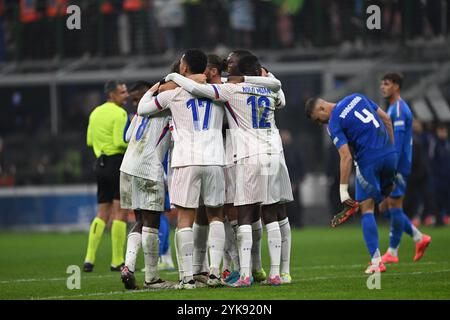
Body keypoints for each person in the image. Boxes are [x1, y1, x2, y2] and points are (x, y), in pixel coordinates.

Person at [164, 53, 290, 287]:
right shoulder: (269, 88)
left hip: (245, 155)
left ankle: (243, 273)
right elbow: (280, 94)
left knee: (241, 214)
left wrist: (172, 77)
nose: (224, 67)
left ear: (240, 69)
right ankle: (275, 272)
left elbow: (201, 92)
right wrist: (262, 76)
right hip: (273, 152)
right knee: (271, 213)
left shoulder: (230, 89)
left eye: (230, 63)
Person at [138, 49, 227, 289]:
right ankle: (215, 274)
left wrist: (160, 84)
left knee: (185, 219)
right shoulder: (218, 91)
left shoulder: (174, 94)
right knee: (216, 216)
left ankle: (187, 278)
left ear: (183, 68)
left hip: (186, 161)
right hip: (215, 160)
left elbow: (143, 108)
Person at [305, 93, 396, 274]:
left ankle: (377, 262)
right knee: (386, 197)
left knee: (366, 207)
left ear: (322, 108)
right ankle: (406, 241)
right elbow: (386, 118)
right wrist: (391, 149)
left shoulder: (334, 122)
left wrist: (343, 191)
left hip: (369, 161)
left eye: (317, 119)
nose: (319, 123)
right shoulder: (357, 97)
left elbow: (346, 157)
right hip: (389, 155)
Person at [119, 80, 173, 290]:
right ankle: (152, 278)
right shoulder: (170, 106)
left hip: (127, 166)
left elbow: (127, 136)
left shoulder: (140, 111)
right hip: (148, 167)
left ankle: (128, 267)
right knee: (152, 222)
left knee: (140, 219)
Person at [379, 73, 431, 264]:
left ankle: (393, 251)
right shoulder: (393, 108)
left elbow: (399, 144)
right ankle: (419, 238)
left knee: (392, 206)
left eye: (386, 84)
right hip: (397, 166)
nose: (382, 87)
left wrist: (391, 169)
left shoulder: (399, 110)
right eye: (382, 84)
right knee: (387, 206)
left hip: (398, 167)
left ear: (396, 86)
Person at [83, 80, 129, 272]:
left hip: (100, 164)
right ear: (111, 95)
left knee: (102, 213)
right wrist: (135, 143)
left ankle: (89, 259)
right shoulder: (120, 113)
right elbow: (120, 142)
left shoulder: (95, 113)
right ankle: (117, 261)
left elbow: (89, 140)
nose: (126, 95)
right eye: (122, 92)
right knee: (120, 212)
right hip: (116, 163)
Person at [429, 124, 450, 226]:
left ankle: (445, 216)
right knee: (436, 198)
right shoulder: (435, 144)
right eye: (440, 131)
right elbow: (431, 159)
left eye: (444, 131)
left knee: (446, 197)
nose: (442, 134)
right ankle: (437, 219)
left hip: (447, 177)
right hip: (437, 177)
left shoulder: (447, 144)